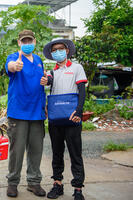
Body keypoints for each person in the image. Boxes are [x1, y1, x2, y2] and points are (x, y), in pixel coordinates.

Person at [41, 39, 87, 200]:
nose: (58, 52)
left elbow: (82, 91)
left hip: (72, 118)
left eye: (61, 49)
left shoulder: (77, 68)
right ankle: (57, 184)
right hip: (55, 120)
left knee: (76, 154)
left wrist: (79, 112)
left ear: (67, 51)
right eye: (54, 50)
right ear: (52, 54)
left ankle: (78, 188)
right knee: (57, 153)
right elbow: (48, 85)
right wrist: (46, 81)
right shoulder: (51, 72)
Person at [5, 29, 46, 198]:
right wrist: (15, 66)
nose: (27, 43)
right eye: (24, 41)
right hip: (19, 112)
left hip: (37, 111)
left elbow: (42, 81)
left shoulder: (38, 60)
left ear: (35, 42)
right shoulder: (13, 57)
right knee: (17, 150)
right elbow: (10, 67)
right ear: (19, 42)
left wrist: (45, 81)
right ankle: (13, 183)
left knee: (36, 150)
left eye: (30, 41)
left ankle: (34, 182)